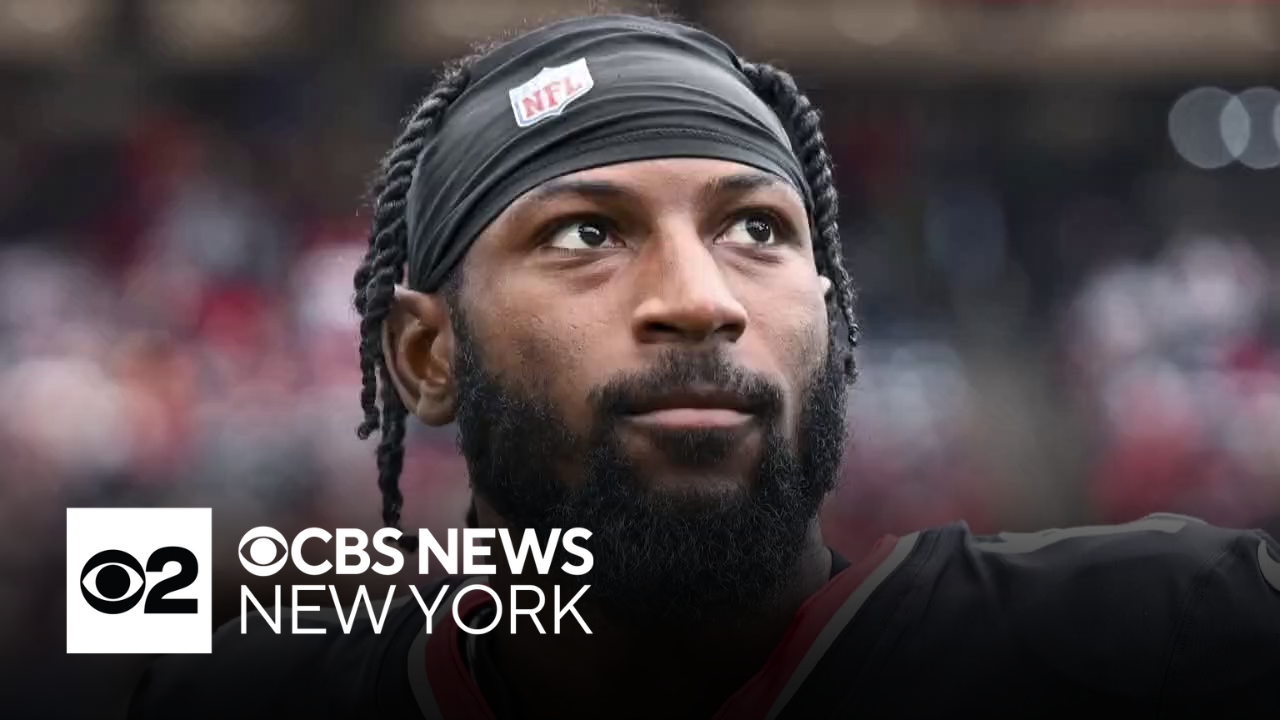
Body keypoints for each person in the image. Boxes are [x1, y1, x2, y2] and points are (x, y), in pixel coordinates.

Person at [128, 13, 1280, 719]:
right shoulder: (231, 680)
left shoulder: (1168, 636)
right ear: (426, 354)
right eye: (586, 233)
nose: (699, 300)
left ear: (832, 320)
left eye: (756, 230)